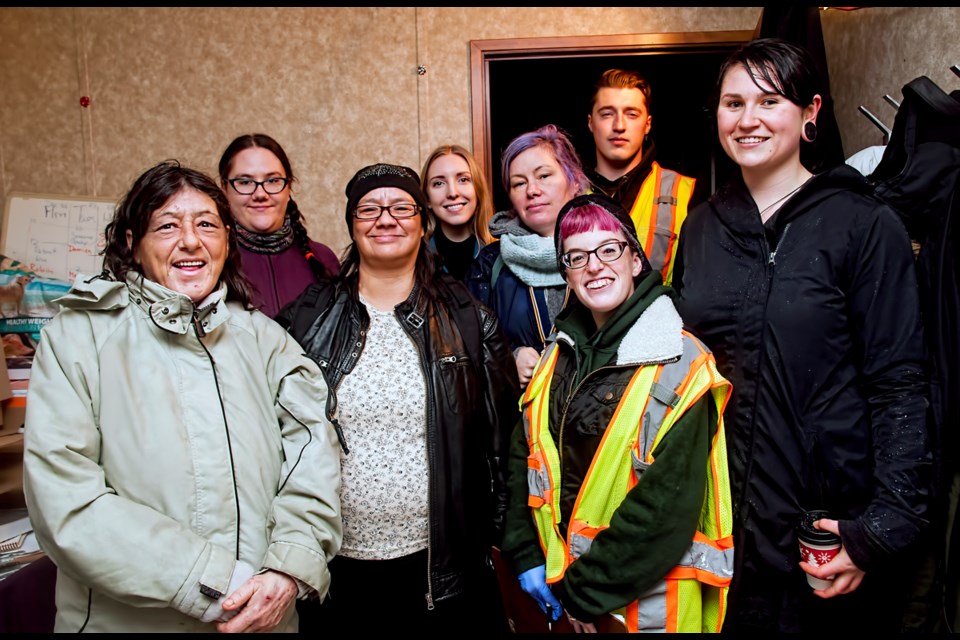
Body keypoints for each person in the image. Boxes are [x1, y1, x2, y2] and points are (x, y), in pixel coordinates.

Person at [672, 38, 934, 633]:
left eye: (770, 101)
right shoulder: (703, 227)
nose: (748, 119)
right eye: (733, 103)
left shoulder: (864, 224)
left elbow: (900, 384)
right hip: (719, 524)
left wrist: (881, 529)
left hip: (821, 531)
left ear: (810, 112)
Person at [21, 160, 343, 633]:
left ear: (226, 241)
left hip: (264, 617)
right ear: (132, 243)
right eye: (168, 225)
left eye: (207, 225)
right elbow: (66, 501)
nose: (190, 241)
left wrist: (289, 568)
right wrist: (217, 583)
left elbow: (313, 457)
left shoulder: (265, 339)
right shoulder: (77, 339)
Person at [275, 162, 521, 633]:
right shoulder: (306, 321)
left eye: (401, 207)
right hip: (333, 568)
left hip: (440, 569)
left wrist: (503, 545)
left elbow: (503, 446)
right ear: (351, 224)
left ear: (422, 221)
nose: (385, 219)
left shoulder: (470, 321)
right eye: (368, 209)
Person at [500, 193, 734, 633]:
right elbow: (525, 457)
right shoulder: (559, 353)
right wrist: (525, 552)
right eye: (577, 256)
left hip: (645, 612)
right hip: (566, 594)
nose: (594, 266)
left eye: (609, 250)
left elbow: (664, 510)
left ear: (635, 260)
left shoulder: (681, 362)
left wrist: (579, 596)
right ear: (565, 273)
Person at [465, 124, 591, 388]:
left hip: (597, 414)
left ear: (574, 180)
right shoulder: (490, 264)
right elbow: (467, 343)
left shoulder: (607, 250)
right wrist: (508, 358)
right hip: (520, 419)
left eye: (544, 176)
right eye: (519, 183)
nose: (532, 190)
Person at [586, 68, 697, 287]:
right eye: (607, 114)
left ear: (647, 124)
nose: (619, 125)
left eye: (632, 114)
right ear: (591, 123)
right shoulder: (568, 193)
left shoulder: (687, 192)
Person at [218, 133, 340, 319]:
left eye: (273, 180)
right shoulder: (211, 261)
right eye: (244, 182)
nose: (260, 193)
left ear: (289, 186)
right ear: (224, 188)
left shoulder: (323, 259)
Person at [420, 144, 495, 281]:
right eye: (439, 183)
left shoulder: (501, 256)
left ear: (477, 190)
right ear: (427, 199)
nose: (453, 193)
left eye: (463, 180)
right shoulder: (416, 260)